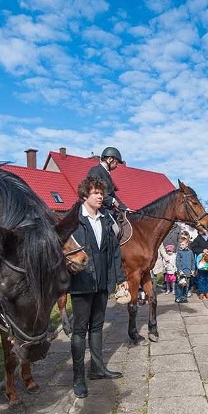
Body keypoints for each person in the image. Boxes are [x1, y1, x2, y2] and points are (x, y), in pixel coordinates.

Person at [67, 177, 128, 398]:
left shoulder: (105, 219)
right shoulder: (74, 219)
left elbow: (113, 252)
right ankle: (78, 377)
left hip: (102, 282)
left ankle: (97, 368)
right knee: (79, 330)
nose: (100, 196)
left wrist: (120, 278)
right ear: (85, 195)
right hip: (81, 283)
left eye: (101, 193)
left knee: (97, 327)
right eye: (95, 192)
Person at [87, 147, 132, 213]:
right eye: (116, 163)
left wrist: (126, 209)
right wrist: (112, 200)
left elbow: (112, 195)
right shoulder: (95, 171)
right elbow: (94, 191)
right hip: (94, 210)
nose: (117, 166)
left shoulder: (106, 174)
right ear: (110, 159)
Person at [174, 237, 195, 304]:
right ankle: (178, 297)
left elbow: (192, 261)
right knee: (180, 285)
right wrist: (180, 270)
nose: (181, 246)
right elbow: (178, 262)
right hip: (181, 273)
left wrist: (193, 269)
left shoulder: (190, 252)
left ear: (187, 244)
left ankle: (184, 297)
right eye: (180, 244)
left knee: (186, 285)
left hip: (188, 272)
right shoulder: (179, 252)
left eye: (182, 244)